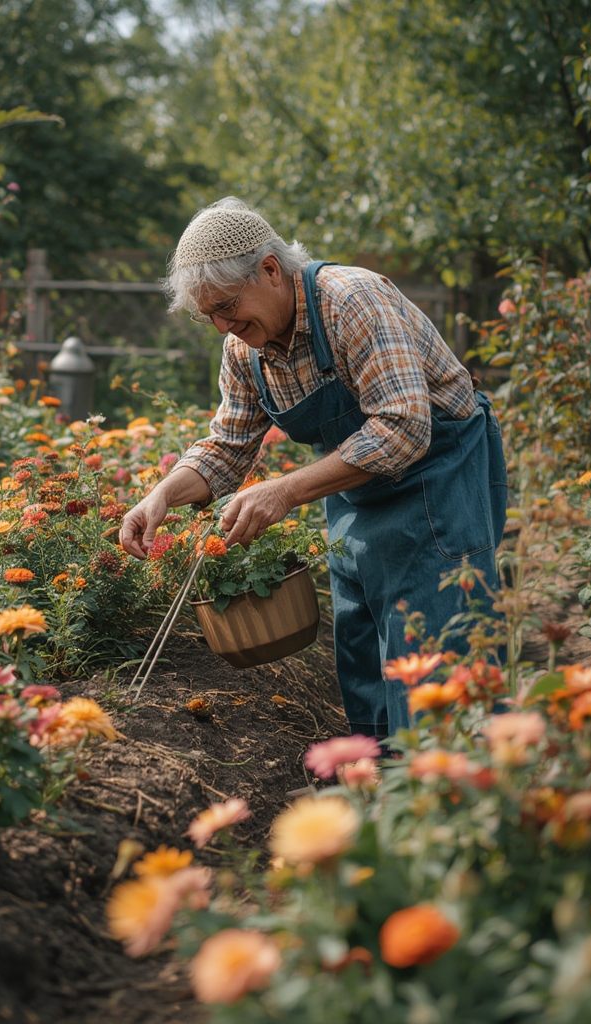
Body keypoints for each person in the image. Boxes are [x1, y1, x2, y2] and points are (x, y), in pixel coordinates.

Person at [119, 197, 507, 742]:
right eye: (208, 316)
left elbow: (403, 427)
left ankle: (457, 803)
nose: (221, 326)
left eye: (227, 307)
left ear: (271, 271)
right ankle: (382, 791)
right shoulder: (244, 347)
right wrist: (162, 494)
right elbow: (229, 446)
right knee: (363, 650)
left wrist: (285, 491)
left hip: (437, 480)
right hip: (354, 490)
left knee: (434, 649)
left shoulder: (353, 301)